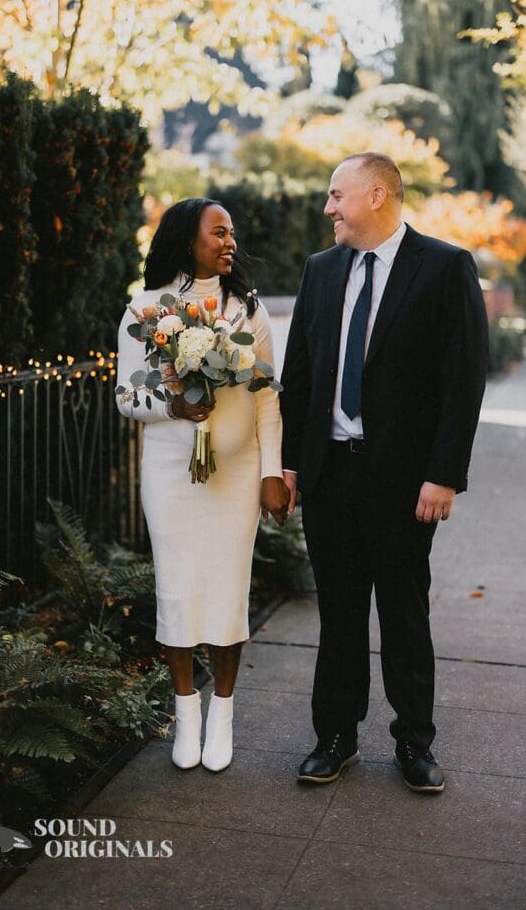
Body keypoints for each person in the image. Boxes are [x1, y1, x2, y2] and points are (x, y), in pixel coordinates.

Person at [280, 153, 488, 792]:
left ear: (376, 195)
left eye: (337, 195)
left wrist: (444, 474)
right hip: (329, 477)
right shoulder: (320, 271)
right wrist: (290, 465)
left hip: (405, 484)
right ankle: (335, 738)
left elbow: (463, 378)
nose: (328, 208)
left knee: (404, 613)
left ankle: (415, 744)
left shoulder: (446, 266)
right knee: (339, 614)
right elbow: (302, 377)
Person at [116, 198, 290, 773]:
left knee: (227, 589)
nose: (229, 241)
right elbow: (126, 397)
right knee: (177, 587)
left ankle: (223, 713)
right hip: (171, 475)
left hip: (237, 477)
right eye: (218, 232)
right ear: (186, 239)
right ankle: (184, 711)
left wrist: (271, 473)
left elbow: (266, 398)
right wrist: (174, 405)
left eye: (231, 233)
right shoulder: (144, 310)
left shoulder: (247, 309)